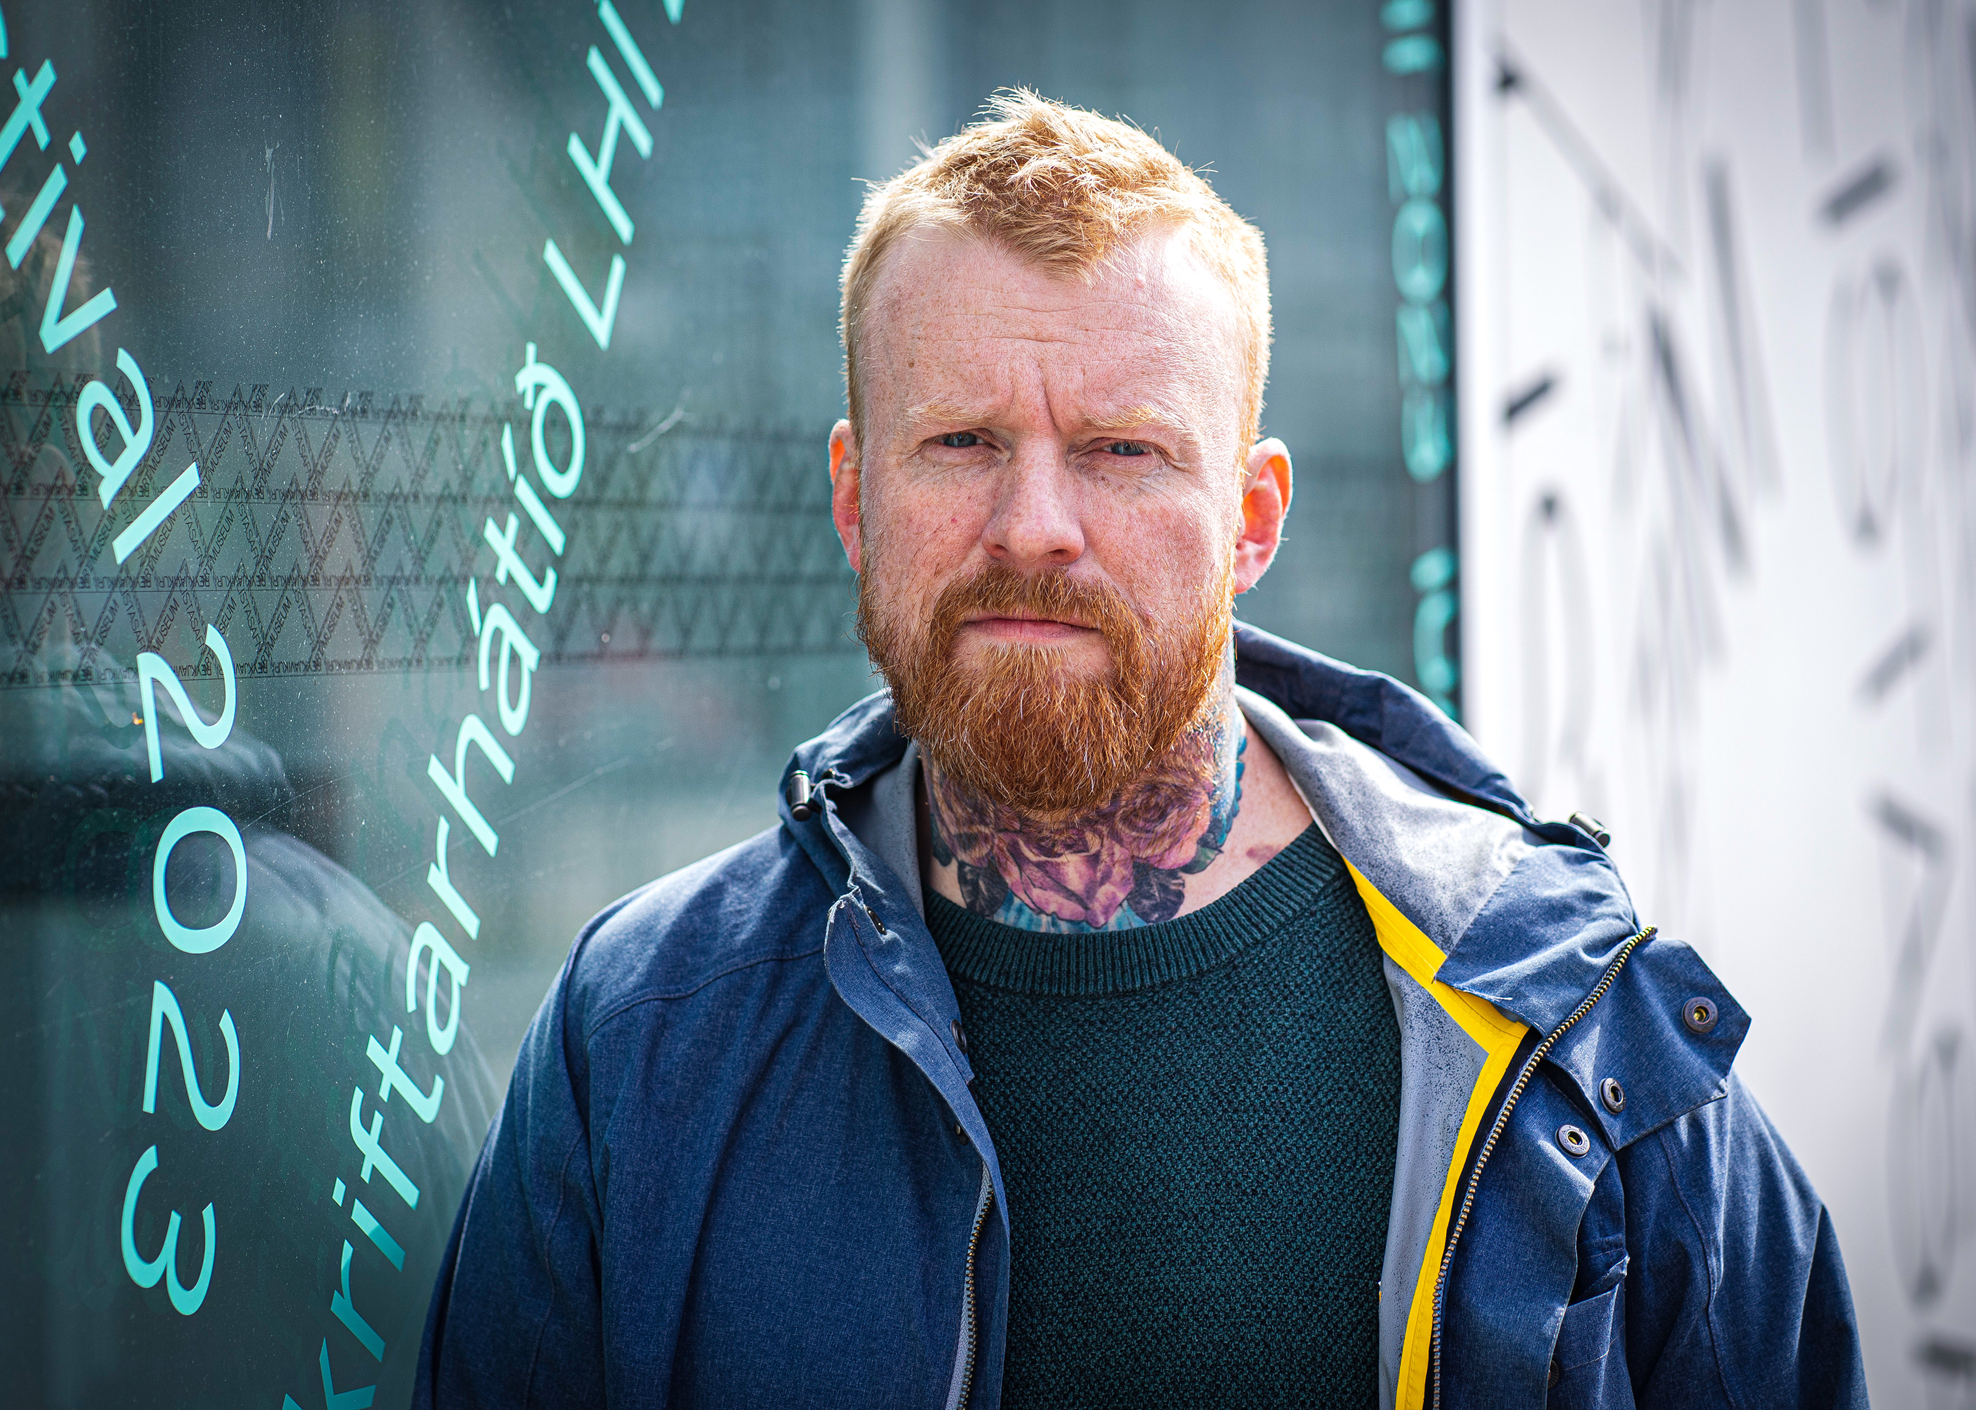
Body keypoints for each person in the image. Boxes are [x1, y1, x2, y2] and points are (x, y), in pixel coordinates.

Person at [414, 90, 1866, 1409]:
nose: (1036, 520)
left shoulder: (1572, 1037)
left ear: (1253, 518)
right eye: (964, 442)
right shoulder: (646, 1037)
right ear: (855, 502)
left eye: (1123, 450)